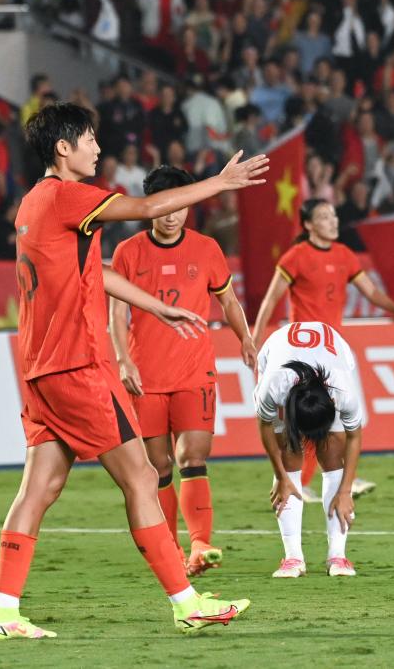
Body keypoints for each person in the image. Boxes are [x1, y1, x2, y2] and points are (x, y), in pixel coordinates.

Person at [0, 102, 268, 640]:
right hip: (79, 367)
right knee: (140, 476)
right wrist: (220, 182)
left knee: (39, 488)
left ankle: (3, 612)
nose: (97, 148)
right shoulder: (68, 195)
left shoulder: (34, 203)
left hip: (41, 369)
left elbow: (93, 272)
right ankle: (187, 602)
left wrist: (155, 306)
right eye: (89, 139)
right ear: (63, 148)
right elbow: (149, 207)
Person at [109, 165, 257, 577]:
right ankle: (172, 550)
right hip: (147, 377)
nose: (172, 215)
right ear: (151, 206)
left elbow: (229, 301)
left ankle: (201, 543)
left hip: (195, 372)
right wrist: (123, 359)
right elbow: (117, 313)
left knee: (192, 455)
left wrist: (245, 338)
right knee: (157, 467)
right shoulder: (128, 252)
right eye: (165, 206)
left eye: (181, 206)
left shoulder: (207, 249)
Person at [251, 198, 394, 502]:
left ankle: (327, 478)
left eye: (333, 215)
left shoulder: (344, 255)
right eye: (324, 216)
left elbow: (371, 291)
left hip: (332, 350)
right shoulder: (296, 256)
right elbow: (271, 298)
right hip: (302, 352)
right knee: (311, 418)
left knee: (333, 417)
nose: (333, 221)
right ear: (308, 224)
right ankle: (306, 479)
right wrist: (254, 338)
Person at [255, 321, 362, 578]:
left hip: (334, 352)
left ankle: (338, 556)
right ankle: (293, 558)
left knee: (332, 451)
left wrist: (345, 490)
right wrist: (280, 475)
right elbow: (265, 425)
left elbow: (354, 437)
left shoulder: (343, 390)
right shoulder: (273, 387)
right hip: (276, 352)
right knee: (289, 453)